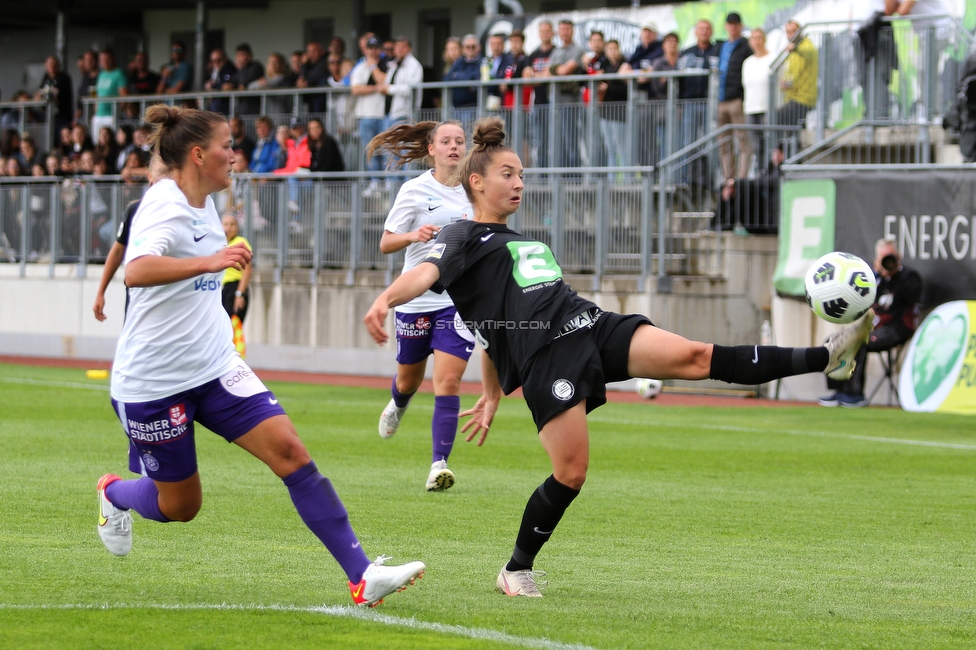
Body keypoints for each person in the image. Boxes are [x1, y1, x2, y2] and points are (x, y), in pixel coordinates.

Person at [363, 117, 873, 598]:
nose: (519, 183)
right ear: (476, 182)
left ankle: (826, 356)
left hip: (590, 324)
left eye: (522, 174)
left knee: (697, 357)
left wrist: (491, 394)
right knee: (572, 472)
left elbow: (493, 335)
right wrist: (388, 298)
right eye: (507, 174)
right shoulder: (461, 236)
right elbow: (424, 277)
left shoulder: (519, 240)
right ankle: (516, 568)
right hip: (548, 358)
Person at [95, 104, 425, 607]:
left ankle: (362, 576)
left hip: (215, 367)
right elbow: (136, 271)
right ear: (199, 153)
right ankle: (114, 492)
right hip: (154, 383)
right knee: (181, 507)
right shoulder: (163, 204)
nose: (236, 154)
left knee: (292, 453)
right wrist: (212, 260)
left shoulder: (205, 202)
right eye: (228, 145)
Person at [366, 120, 473, 491]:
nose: (454, 147)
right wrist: (415, 234)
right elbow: (387, 243)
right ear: (432, 149)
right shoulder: (414, 190)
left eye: (460, 141)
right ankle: (398, 403)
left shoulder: (475, 190)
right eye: (446, 141)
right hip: (415, 299)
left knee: (448, 380)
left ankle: (438, 464)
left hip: (456, 300)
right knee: (409, 379)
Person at [820, 238, 922, 408]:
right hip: (874, 326)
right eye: (883, 258)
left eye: (890, 257)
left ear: (899, 256)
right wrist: (876, 276)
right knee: (834, 341)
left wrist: (895, 274)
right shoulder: (876, 279)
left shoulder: (909, 276)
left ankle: (855, 394)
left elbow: (913, 295)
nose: (887, 262)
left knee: (859, 343)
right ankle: (838, 390)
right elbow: (861, 299)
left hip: (898, 328)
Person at [93, 155, 169, 322]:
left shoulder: (182, 212)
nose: (166, 178)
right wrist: (100, 292)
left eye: (169, 173)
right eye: (162, 172)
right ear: (150, 176)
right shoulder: (135, 210)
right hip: (138, 297)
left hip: (168, 298)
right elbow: (118, 250)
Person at [716, 13, 753, 192]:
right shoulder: (722, 46)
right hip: (720, 99)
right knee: (724, 144)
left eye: (735, 24)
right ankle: (728, 179)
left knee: (743, 141)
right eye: (729, 24)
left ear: (740, 25)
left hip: (737, 99)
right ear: (726, 26)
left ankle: (741, 178)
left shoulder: (746, 46)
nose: (732, 27)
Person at [350, 36, 387, 189]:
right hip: (365, 115)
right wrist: (374, 88)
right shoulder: (359, 68)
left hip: (384, 114)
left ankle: (387, 182)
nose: (373, 51)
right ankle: (375, 182)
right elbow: (355, 89)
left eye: (375, 48)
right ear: (366, 49)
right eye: (370, 48)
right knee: (370, 150)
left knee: (386, 149)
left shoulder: (386, 65)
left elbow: (385, 81)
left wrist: (373, 67)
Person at [741, 27, 775, 173]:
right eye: (753, 38)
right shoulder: (747, 62)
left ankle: (770, 172)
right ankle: (760, 173)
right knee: (756, 145)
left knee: (769, 144)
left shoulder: (773, 57)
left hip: (767, 107)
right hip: (751, 108)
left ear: (765, 39)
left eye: (759, 37)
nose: (756, 41)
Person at [525, 22, 556, 167]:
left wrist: (536, 76)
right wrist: (543, 76)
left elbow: (551, 75)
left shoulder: (557, 52)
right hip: (538, 104)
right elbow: (526, 77)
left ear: (552, 33)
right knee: (541, 143)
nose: (544, 33)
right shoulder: (534, 54)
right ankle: (543, 179)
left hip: (555, 104)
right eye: (542, 31)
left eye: (547, 31)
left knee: (556, 142)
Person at [776, 21, 818, 130]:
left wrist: (795, 48)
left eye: (794, 31)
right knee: (794, 129)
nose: (791, 35)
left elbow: (809, 52)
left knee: (777, 117)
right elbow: (791, 72)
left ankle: (778, 147)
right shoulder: (793, 51)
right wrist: (784, 83)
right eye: (788, 32)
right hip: (792, 96)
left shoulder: (806, 45)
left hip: (803, 97)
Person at [221, 213, 252, 358]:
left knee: (233, 325)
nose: (229, 227)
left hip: (235, 288)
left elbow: (248, 269)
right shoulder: (220, 244)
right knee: (223, 327)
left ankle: (236, 359)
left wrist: (240, 293)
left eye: (232, 224)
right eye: (226, 224)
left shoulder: (241, 242)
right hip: (223, 289)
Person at [597, 40, 631, 172]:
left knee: (621, 147)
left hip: (619, 113)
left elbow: (625, 89)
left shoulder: (624, 65)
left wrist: (608, 87)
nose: (612, 52)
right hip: (605, 112)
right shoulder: (604, 66)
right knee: (609, 148)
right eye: (609, 49)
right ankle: (611, 179)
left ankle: (626, 179)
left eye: (614, 48)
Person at [93, 49, 128, 136]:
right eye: (103, 59)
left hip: (111, 115)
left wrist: (118, 113)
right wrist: (95, 112)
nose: (105, 61)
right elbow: (98, 94)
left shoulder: (119, 73)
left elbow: (124, 95)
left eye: (107, 59)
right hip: (99, 115)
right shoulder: (101, 74)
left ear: (113, 59)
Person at [36, 56, 74, 135]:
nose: (52, 66)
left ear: (58, 66)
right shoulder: (46, 77)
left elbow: (56, 92)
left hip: (63, 116)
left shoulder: (64, 77)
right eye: (50, 64)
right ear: (45, 66)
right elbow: (40, 91)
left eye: (54, 64)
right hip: (49, 116)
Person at [229, 43, 265, 114]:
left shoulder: (256, 66)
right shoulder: (238, 71)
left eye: (246, 54)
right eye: (241, 55)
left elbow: (246, 81)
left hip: (255, 106)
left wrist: (243, 85)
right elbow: (233, 81)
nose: (244, 57)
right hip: (242, 108)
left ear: (251, 55)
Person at [204, 48, 237, 115]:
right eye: (213, 61)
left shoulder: (229, 68)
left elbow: (225, 85)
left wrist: (212, 86)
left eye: (219, 60)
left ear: (225, 58)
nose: (216, 63)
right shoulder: (214, 71)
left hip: (226, 107)